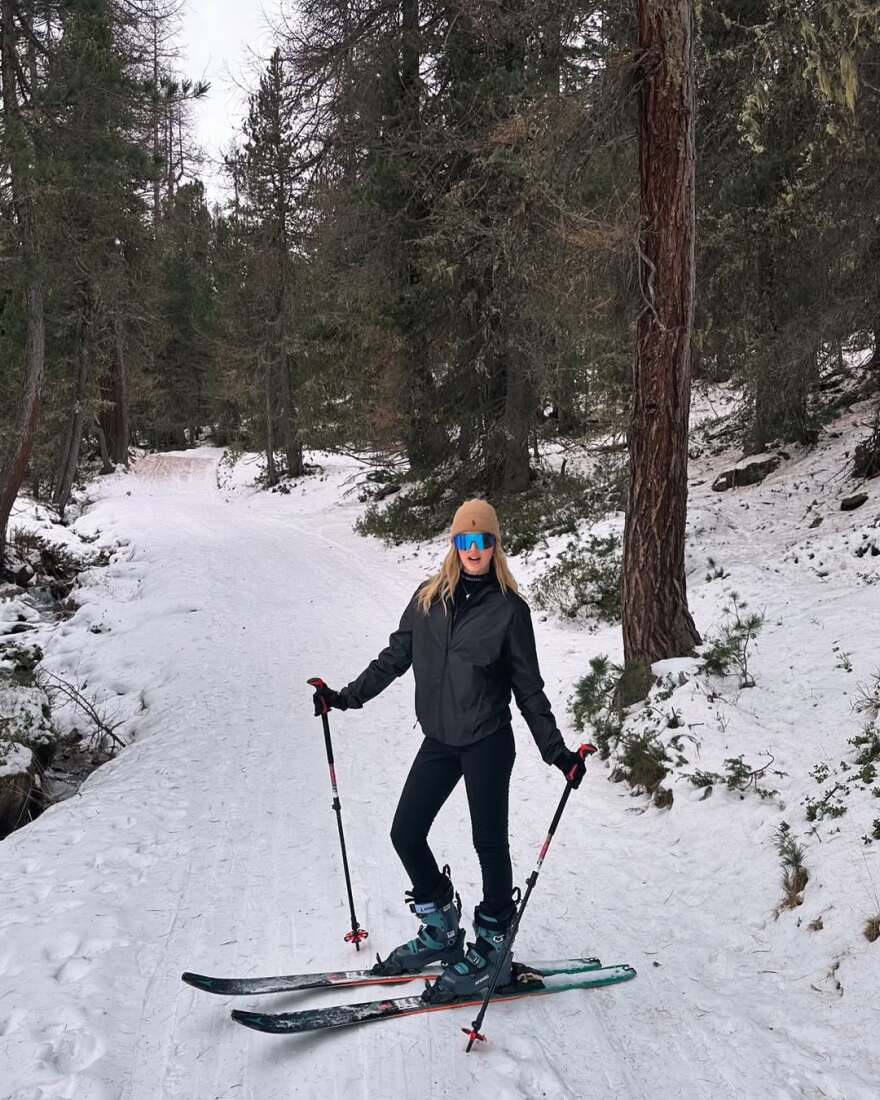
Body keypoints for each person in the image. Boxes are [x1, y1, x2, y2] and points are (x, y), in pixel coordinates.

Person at [311, 498, 585, 999]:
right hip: (440, 739)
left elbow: (529, 690)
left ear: (494, 546)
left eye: (482, 540)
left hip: (486, 740)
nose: (472, 549)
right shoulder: (427, 599)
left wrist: (558, 753)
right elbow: (394, 658)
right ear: (453, 544)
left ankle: (493, 949)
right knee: (405, 832)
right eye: (464, 540)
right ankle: (441, 928)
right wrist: (343, 698)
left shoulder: (509, 611)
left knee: (489, 844)